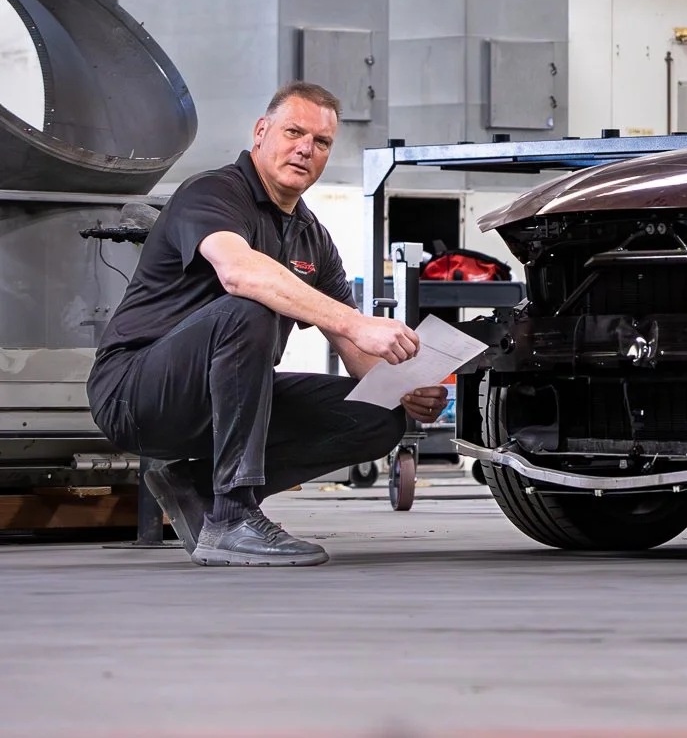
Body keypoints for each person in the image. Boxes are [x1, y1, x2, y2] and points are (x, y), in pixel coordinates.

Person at [87, 82, 445, 567]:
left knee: (377, 418)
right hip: (136, 393)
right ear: (261, 132)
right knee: (247, 306)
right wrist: (357, 321)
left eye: (321, 143)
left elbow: (350, 344)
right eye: (294, 132)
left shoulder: (312, 237)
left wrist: (403, 389)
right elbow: (239, 271)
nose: (305, 149)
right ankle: (234, 515)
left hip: (225, 400)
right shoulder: (213, 192)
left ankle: (196, 487)